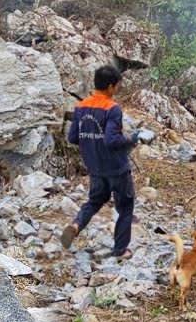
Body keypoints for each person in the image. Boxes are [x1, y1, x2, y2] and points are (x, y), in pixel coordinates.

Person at [61, 65, 143, 260]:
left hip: (95, 167)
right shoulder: (112, 108)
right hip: (116, 168)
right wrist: (131, 139)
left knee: (95, 200)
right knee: (125, 206)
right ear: (111, 87)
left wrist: (91, 141)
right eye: (117, 87)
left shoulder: (81, 107)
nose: (117, 91)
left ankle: (76, 225)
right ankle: (121, 250)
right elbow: (111, 139)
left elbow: (72, 138)